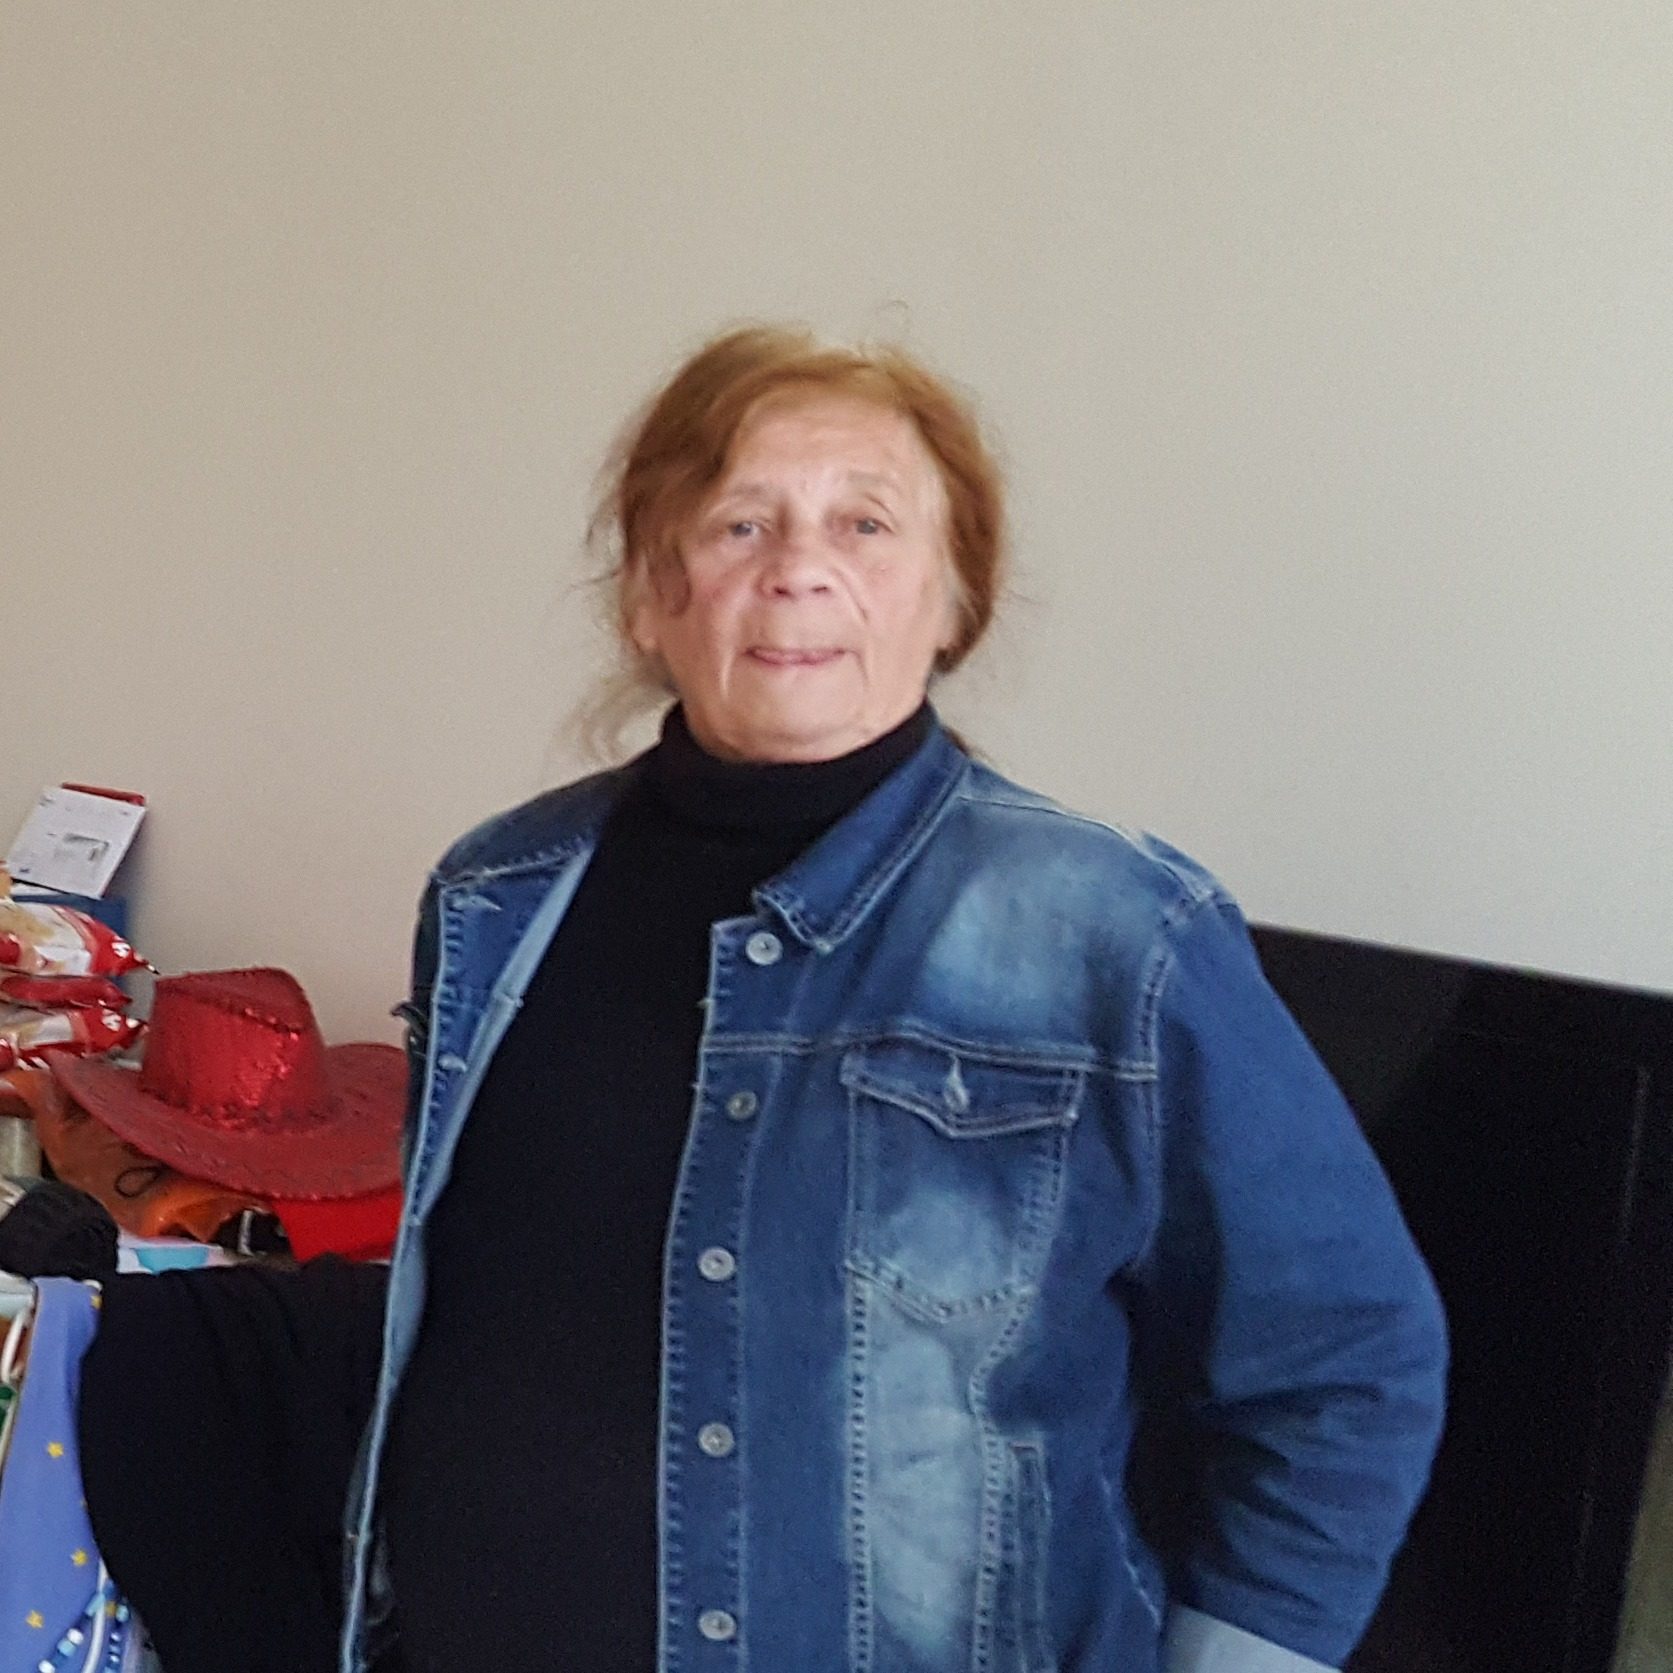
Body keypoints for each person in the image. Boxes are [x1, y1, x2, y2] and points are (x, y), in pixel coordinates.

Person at [52, 323, 1445, 1673]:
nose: (797, 569)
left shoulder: (1116, 933)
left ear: (953, 600)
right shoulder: (498, 893)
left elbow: (1345, 1360)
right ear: (649, 597)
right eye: (738, 524)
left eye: (864, 523)